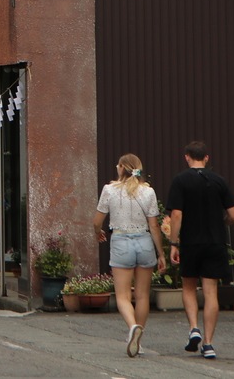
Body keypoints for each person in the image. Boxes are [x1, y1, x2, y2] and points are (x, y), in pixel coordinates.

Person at [167, 141, 234, 360]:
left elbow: (176, 214)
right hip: (215, 243)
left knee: (189, 287)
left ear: (187, 157)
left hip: (190, 242)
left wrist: (173, 242)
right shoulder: (219, 181)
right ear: (206, 158)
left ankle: (193, 328)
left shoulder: (180, 180)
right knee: (211, 293)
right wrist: (222, 223)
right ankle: (208, 344)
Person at [92, 153, 167, 358]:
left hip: (121, 242)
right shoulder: (148, 192)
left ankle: (132, 326)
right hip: (144, 242)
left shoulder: (110, 190)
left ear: (122, 168)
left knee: (123, 295)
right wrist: (161, 253)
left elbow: (97, 221)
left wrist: (97, 232)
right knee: (142, 295)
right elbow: (154, 225)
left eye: (118, 165)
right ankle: (139, 341)